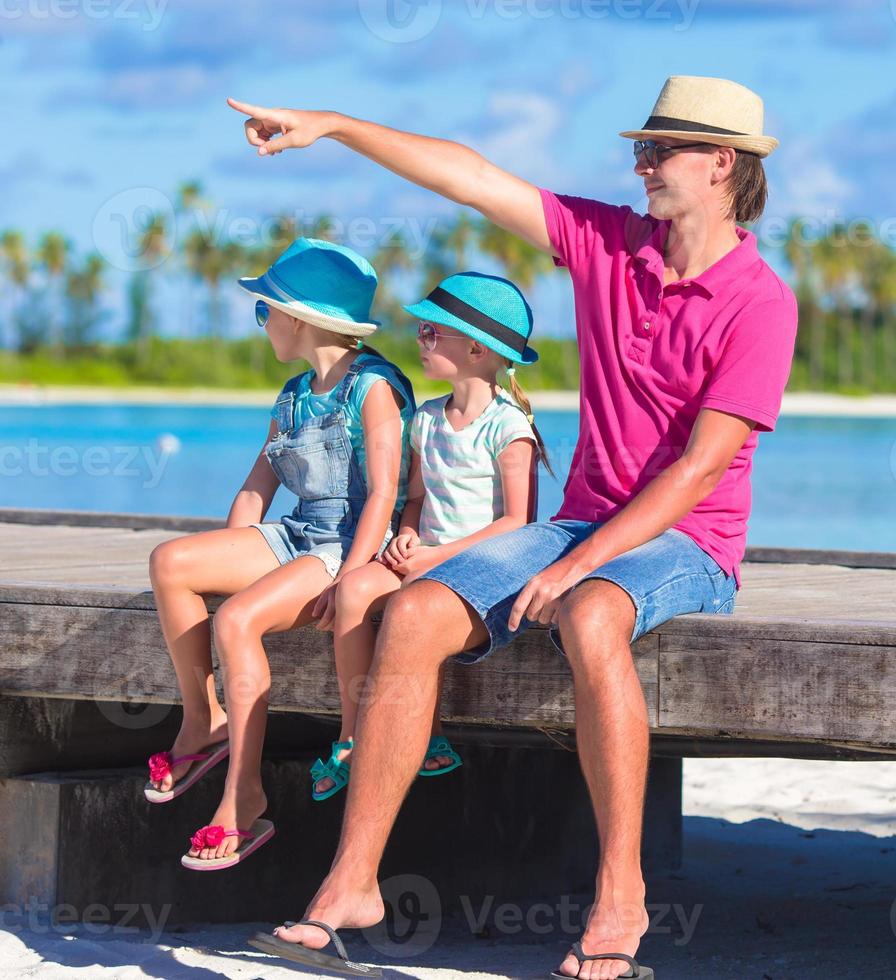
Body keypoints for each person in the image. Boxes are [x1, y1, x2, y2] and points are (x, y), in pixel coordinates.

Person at [230, 75, 797, 979]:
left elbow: (699, 472)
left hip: (689, 544)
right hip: (582, 523)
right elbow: (469, 176)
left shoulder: (761, 304)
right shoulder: (610, 244)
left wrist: (581, 567)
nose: (640, 162)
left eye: (660, 150)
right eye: (638, 148)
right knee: (412, 613)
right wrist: (332, 126)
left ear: (723, 163)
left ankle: (621, 895)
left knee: (590, 614)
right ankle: (352, 885)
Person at [144, 238, 415, 871]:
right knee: (171, 562)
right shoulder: (294, 394)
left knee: (238, 620)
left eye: (266, 311)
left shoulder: (373, 390)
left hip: (350, 545)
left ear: (301, 319)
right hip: (296, 536)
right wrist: (231, 550)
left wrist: (348, 581)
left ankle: (244, 797)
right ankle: (202, 720)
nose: (263, 324)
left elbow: (381, 495)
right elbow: (257, 486)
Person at [312, 272, 553, 802]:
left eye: (429, 334)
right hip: (425, 553)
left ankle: (427, 734)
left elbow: (519, 523)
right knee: (352, 591)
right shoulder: (425, 419)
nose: (418, 342)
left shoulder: (508, 429)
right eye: (421, 332)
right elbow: (416, 499)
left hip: (482, 565)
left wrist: (437, 558)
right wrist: (403, 535)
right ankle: (352, 733)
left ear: (474, 348)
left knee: (415, 614)